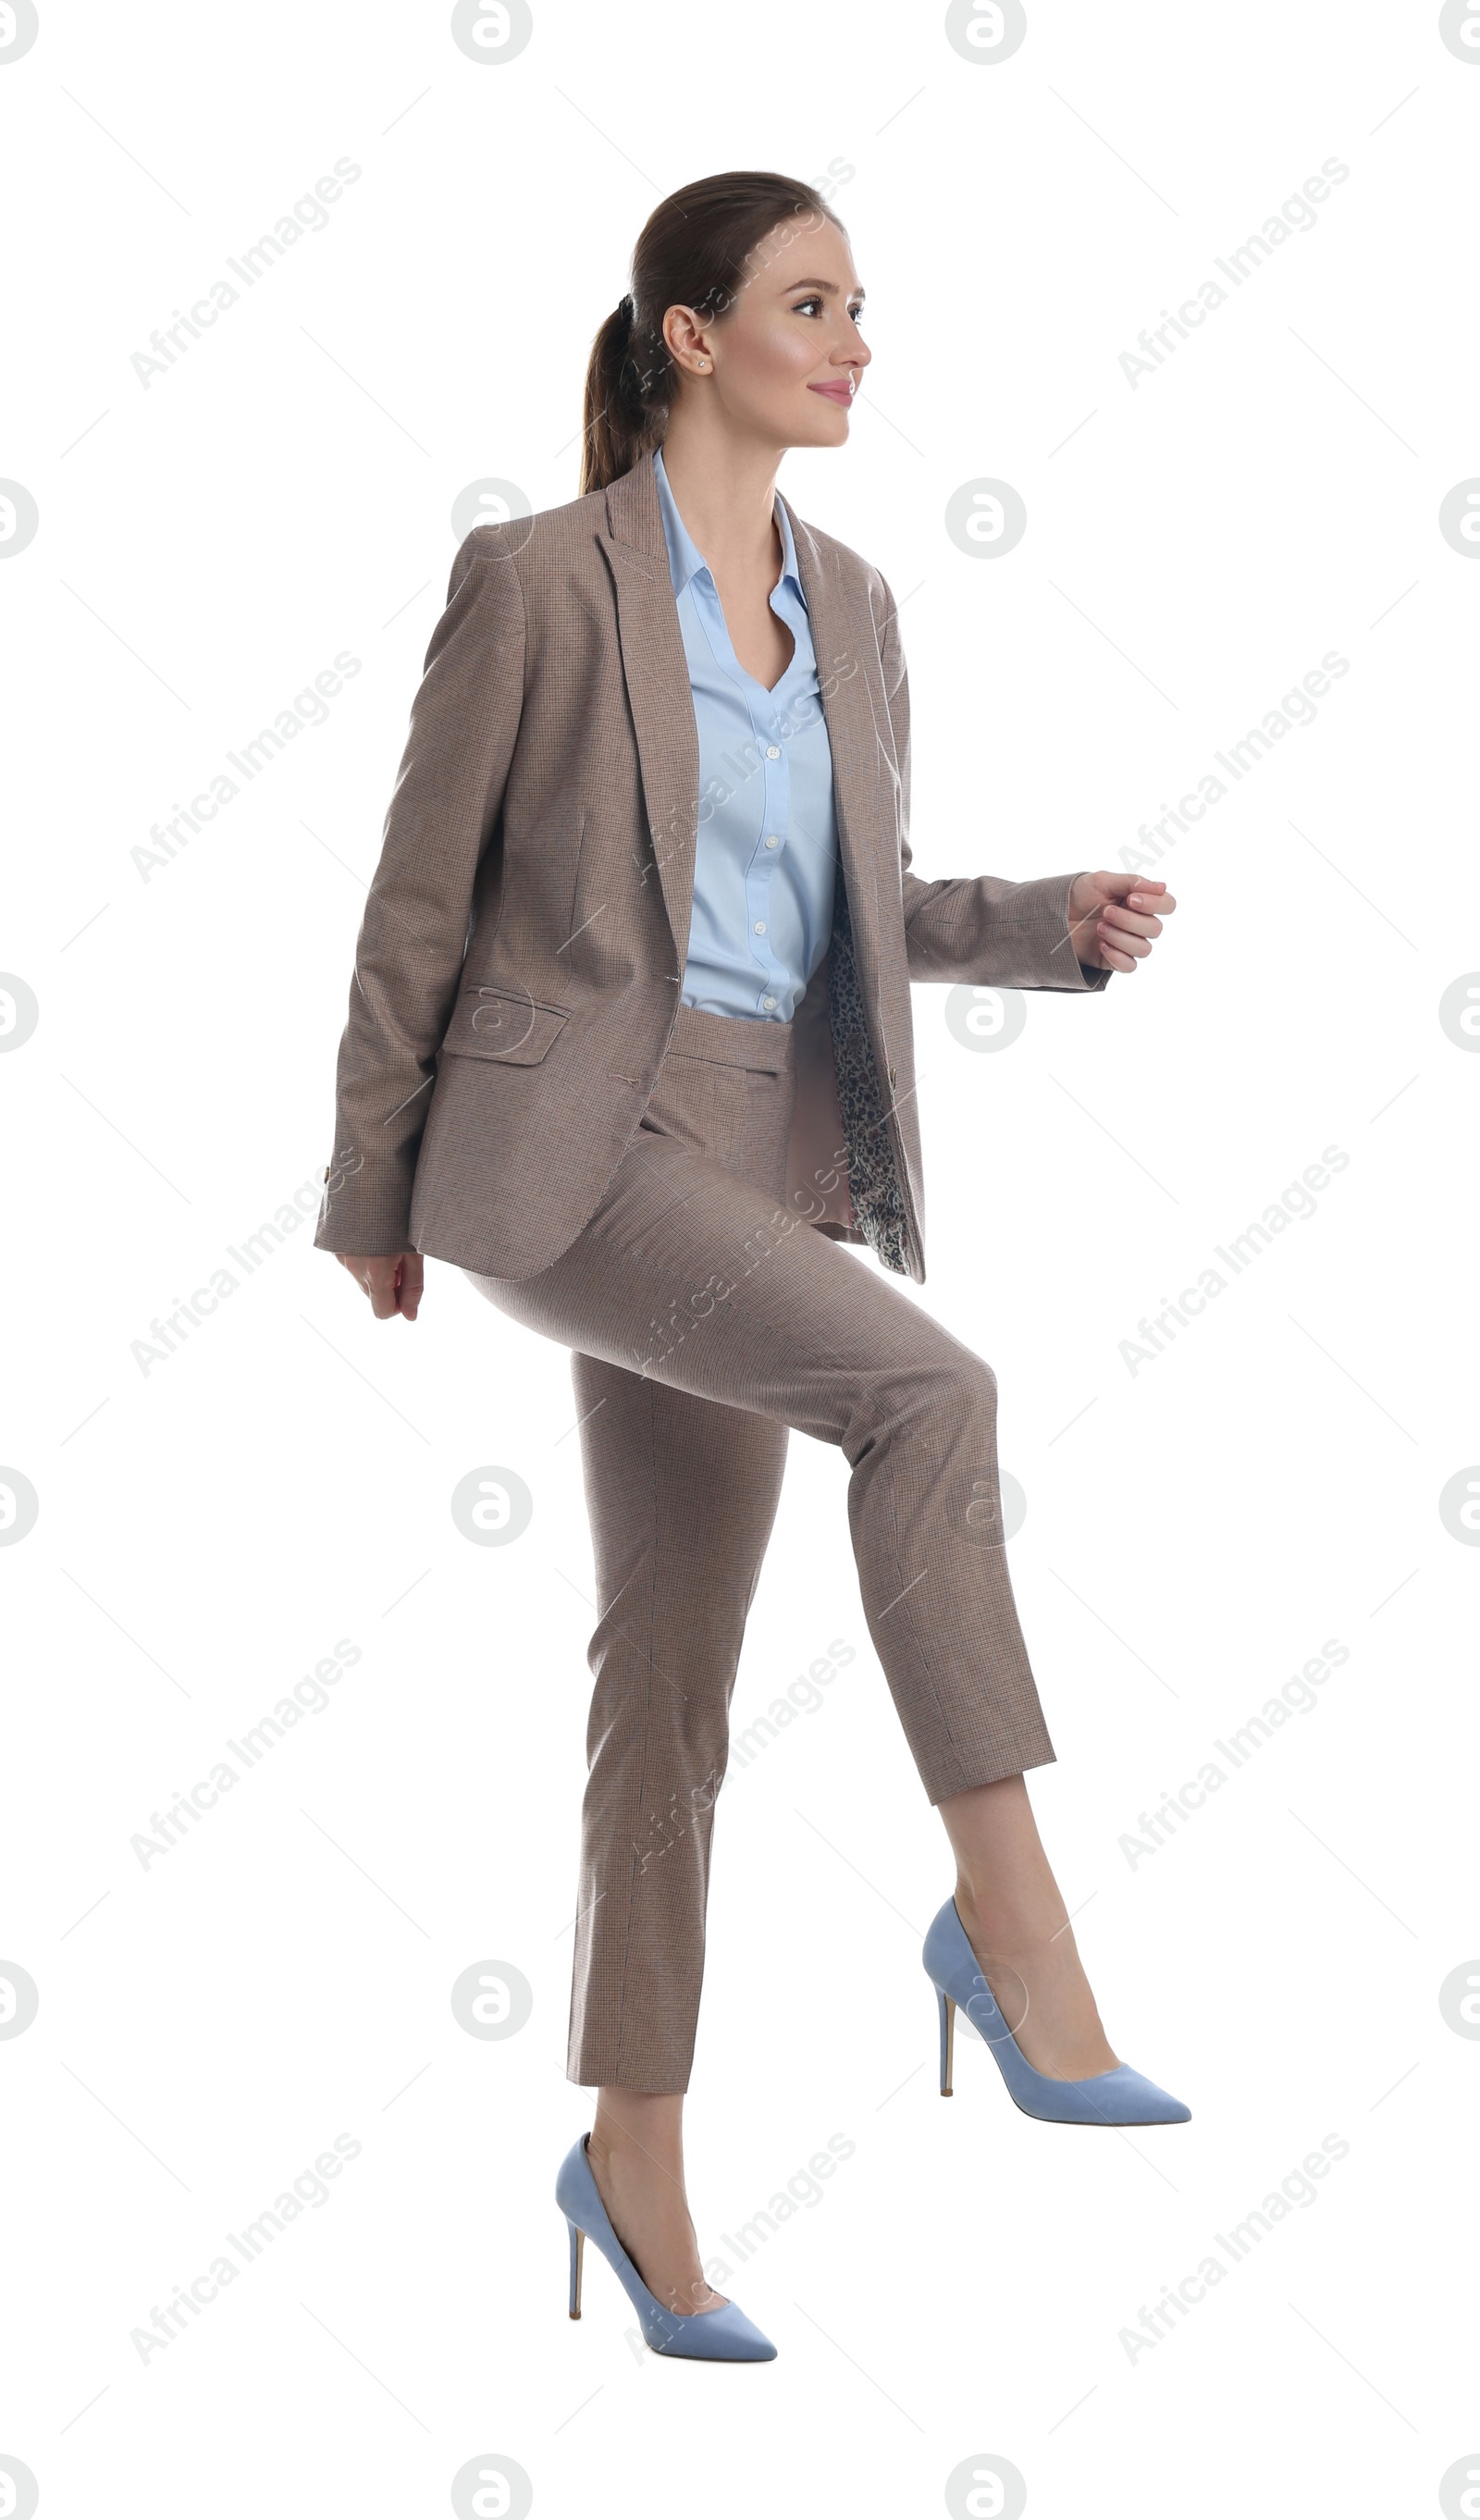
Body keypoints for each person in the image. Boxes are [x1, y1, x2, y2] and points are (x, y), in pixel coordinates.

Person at [314, 169, 1186, 2366]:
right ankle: (1010, 1926)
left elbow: (851, 902)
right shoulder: (536, 579)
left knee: (667, 1686)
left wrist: (1031, 921)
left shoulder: (860, 605)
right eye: (812, 304)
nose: (857, 341)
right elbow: (418, 904)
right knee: (931, 1399)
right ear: (690, 335)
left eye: (864, 307)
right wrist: (365, 1187)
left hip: (756, 1155)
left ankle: (630, 2164)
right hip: (569, 1151)